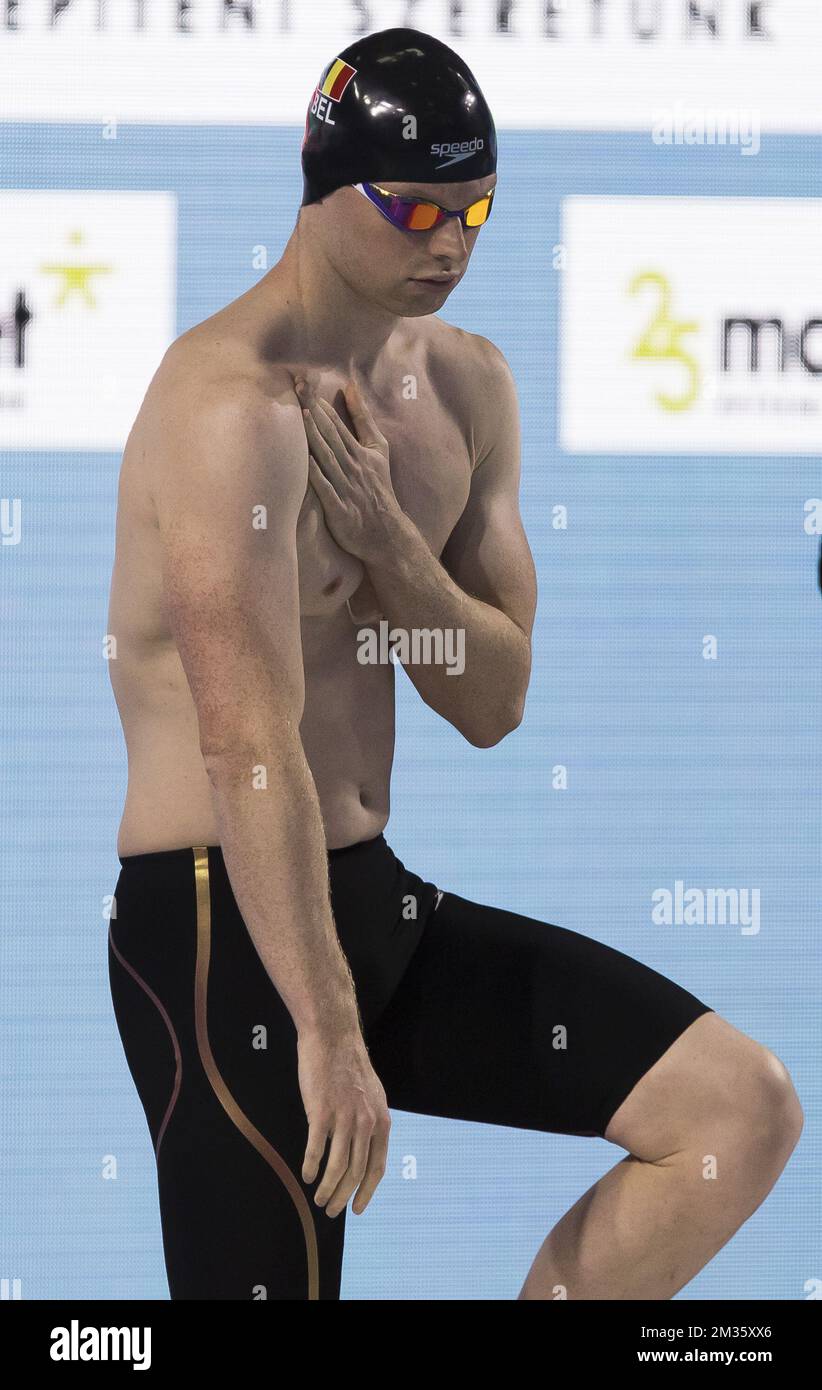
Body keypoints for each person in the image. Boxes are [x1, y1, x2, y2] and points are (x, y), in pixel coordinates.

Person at [106, 27, 802, 1301]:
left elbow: (492, 699)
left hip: (372, 899)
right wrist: (324, 1025)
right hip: (222, 927)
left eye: (476, 208)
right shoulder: (227, 408)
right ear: (323, 187)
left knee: (736, 1109)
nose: (452, 241)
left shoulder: (466, 390)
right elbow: (245, 743)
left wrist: (392, 551)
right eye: (418, 205)